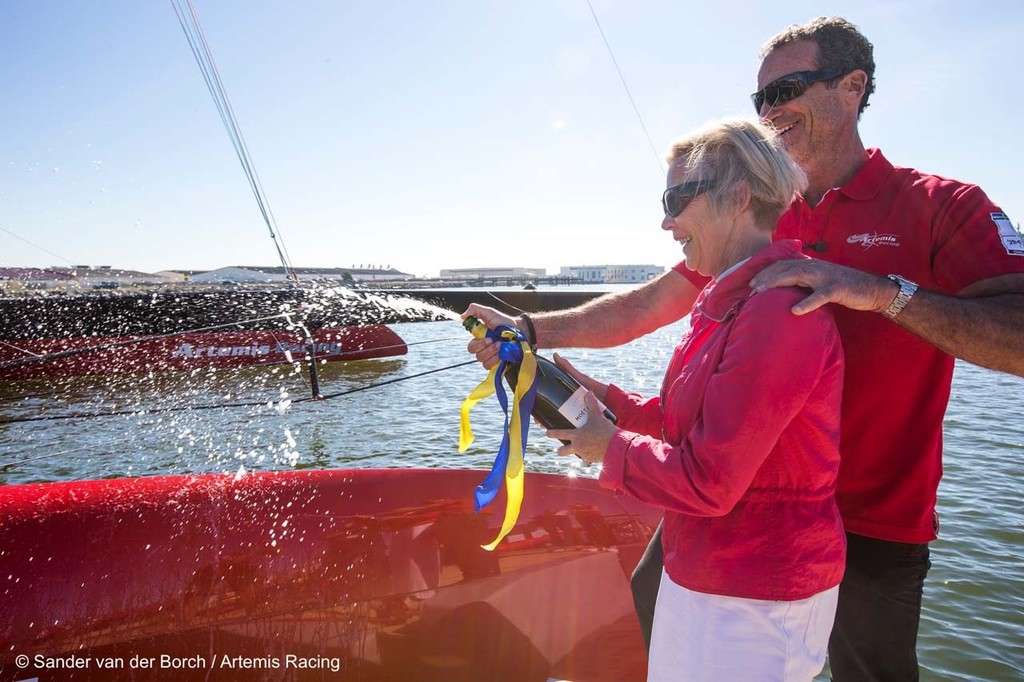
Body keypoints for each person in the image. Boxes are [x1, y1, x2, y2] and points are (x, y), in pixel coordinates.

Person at [464, 16, 1024, 682]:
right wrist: (532, 332)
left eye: (787, 88)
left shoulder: (941, 206)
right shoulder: (759, 218)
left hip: (874, 517)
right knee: (650, 607)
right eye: (759, 99)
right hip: (734, 508)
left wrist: (878, 292)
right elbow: (647, 307)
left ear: (853, 87)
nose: (769, 110)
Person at [575, 117, 846, 679]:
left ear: (739, 197)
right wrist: (608, 405)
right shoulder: (730, 300)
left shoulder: (777, 312)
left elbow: (708, 481)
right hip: (706, 573)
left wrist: (607, 447)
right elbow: (687, 424)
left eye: (677, 198)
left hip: (756, 597)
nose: (666, 220)